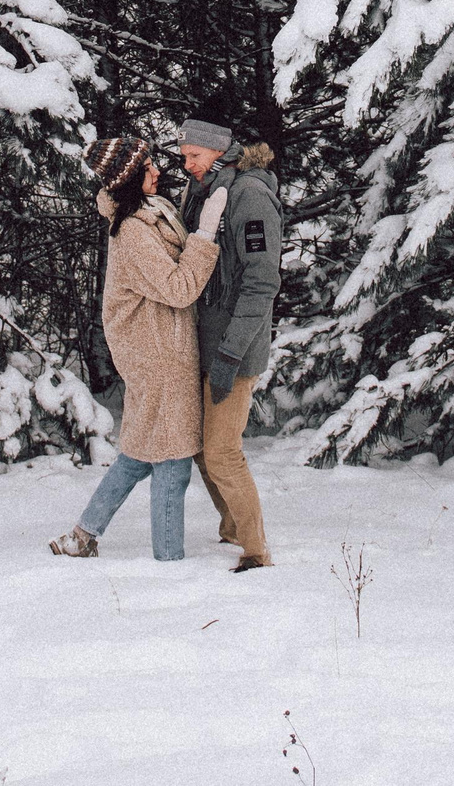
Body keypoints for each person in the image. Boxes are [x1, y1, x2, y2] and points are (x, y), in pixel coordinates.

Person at [50, 137, 225, 561]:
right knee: (173, 458)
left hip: (162, 348)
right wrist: (205, 234)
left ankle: (83, 534)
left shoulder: (149, 212)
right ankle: (169, 563)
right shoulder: (131, 233)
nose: (157, 171)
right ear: (130, 179)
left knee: (140, 452)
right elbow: (180, 288)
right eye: (147, 166)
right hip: (158, 355)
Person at [179, 108, 283, 572]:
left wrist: (230, 351)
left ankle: (256, 551)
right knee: (203, 450)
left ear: (220, 152)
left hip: (234, 348)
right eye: (183, 155)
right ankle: (233, 527)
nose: (187, 164)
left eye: (194, 155)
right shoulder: (206, 191)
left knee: (222, 452)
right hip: (206, 341)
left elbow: (261, 283)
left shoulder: (249, 197)